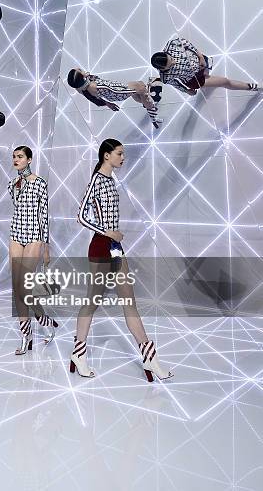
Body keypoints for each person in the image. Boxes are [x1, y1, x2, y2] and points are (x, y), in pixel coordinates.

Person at [70, 138, 173, 382]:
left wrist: (113, 236)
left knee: (130, 303)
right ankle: (78, 353)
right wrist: (108, 232)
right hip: (100, 246)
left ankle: (150, 358)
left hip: (115, 248)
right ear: (106, 155)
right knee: (91, 302)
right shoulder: (96, 180)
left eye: (122, 154)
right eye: (119, 153)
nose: (122, 158)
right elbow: (81, 216)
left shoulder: (111, 181)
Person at [8, 146, 58, 355]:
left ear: (29, 159)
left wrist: (45, 246)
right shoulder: (12, 184)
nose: (16, 160)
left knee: (25, 287)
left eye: (20, 157)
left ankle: (43, 320)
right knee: (17, 288)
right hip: (16, 234)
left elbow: (43, 215)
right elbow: (17, 208)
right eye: (14, 157)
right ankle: (26, 335)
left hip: (34, 236)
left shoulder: (39, 183)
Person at [151, 36, 263, 96]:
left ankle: (207, 70)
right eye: (170, 65)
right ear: (162, 69)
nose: (174, 62)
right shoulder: (165, 77)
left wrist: (200, 56)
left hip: (201, 63)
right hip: (195, 79)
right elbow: (176, 85)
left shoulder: (172, 45)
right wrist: (187, 91)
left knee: (209, 72)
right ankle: (254, 87)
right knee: (224, 81)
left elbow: (187, 43)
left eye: (171, 59)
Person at [67, 68, 163, 128]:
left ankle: (149, 107)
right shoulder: (95, 86)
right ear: (82, 78)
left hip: (117, 92)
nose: (81, 69)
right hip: (121, 91)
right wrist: (132, 90)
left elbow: (96, 99)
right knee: (143, 92)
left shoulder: (82, 89)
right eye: (80, 70)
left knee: (140, 92)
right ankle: (153, 116)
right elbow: (116, 91)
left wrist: (108, 104)